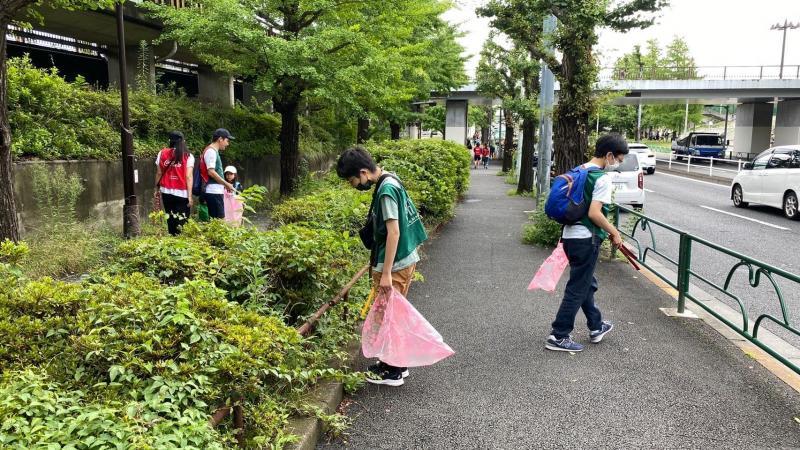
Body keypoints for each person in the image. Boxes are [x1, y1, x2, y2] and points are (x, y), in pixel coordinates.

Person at [336, 146, 428, 386]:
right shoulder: (391, 178)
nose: (354, 185)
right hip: (405, 259)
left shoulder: (385, 190)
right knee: (392, 314)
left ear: (363, 172)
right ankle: (395, 363)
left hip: (395, 265)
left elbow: (393, 232)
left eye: (353, 180)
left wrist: (386, 273)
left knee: (389, 316)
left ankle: (393, 371)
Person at [545, 133, 628, 353]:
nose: (617, 164)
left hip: (570, 237)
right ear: (609, 155)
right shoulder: (601, 178)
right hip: (586, 239)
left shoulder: (580, 170)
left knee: (586, 284)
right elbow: (594, 213)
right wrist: (614, 232)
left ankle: (596, 325)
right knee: (577, 288)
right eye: (618, 159)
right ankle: (558, 335)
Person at [154, 131, 194, 235]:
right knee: (182, 220)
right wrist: (190, 196)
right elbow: (188, 176)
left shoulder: (162, 153)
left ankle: (172, 238)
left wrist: (156, 189)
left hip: (166, 192)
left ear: (169, 141)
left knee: (170, 218)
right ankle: (180, 240)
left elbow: (159, 173)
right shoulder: (188, 156)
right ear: (183, 141)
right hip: (182, 193)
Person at [199, 128, 236, 220]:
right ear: (220, 139)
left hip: (215, 191)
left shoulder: (213, 151)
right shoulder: (211, 151)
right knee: (219, 221)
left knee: (217, 221)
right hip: (213, 191)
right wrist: (226, 184)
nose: (228, 144)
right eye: (227, 140)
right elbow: (211, 172)